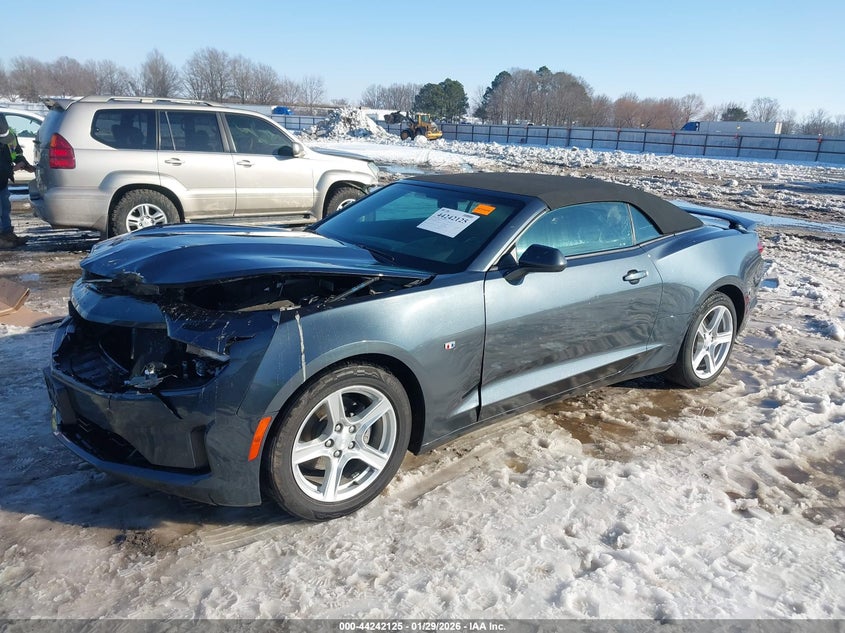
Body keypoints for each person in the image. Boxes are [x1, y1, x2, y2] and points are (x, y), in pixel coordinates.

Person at [1, 113, 35, 249]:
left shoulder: (10, 136)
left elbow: (16, 153)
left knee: (4, 208)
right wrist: (13, 169)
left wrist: (24, 163)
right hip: (2, 174)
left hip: (2, 181)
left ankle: (7, 234)